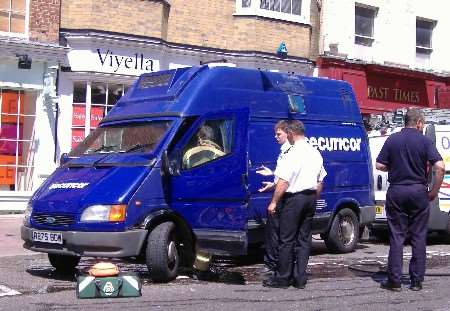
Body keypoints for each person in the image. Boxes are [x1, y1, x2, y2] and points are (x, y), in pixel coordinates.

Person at [376, 109, 445, 292]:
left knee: (397, 236)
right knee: (418, 236)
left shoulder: (392, 139)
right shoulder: (424, 141)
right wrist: (434, 191)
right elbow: (440, 167)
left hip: (397, 191)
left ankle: (395, 281)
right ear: (419, 123)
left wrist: (395, 165)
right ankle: (416, 281)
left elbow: (379, 164)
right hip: (418, 191)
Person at [262, 120, 326, 289]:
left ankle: (283, 278)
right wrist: (313, 197)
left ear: (290, 133)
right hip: (311, 197)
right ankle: (300, 278)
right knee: (304, 239)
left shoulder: (293, 153)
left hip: (294, 198)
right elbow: (321, 180)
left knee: (287, 239)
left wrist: (274, 202)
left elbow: (283, 181)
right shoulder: (315, 152)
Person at [256, 120, 291, 275]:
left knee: (275, 233)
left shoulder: (290, 151)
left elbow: (286, 179)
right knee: (277, 232)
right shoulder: (284, 151)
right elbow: (282, 176)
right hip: (283, 193)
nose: (276, 137)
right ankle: (276, 265)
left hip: (285, 197)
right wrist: (272, 178)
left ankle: (272, 265)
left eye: (279, 134)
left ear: (288, 133)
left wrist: (274, 201)